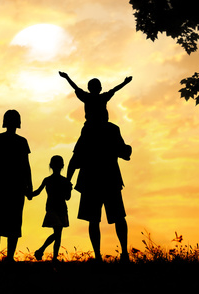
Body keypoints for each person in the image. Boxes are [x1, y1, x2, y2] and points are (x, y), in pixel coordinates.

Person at [59, 72, 132, 262]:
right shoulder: (110, 130)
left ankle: (100, 256)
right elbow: (124, 153)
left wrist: (68, 180)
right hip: (109, 180)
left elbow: (75, 160)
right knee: (117, 217)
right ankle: (123, 253)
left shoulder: (89, 132)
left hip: (91, 181)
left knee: (95, 219)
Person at [59, 71, 132, 181]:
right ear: (99, 88)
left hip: (99, 126)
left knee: (76, 156)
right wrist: (125, 82)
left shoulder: (91, 97)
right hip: (91, 127)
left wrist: (67, 77)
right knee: (77, 154)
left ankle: (122, 151)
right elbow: (114, 90)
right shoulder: (95, 97)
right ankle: (68, 181)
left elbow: (76, 87)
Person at [0, 110, 33, 262]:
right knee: (9, 221)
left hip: (7, 186)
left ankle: (2, 258)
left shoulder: (2, 139)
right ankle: (4, 258)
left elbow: (25, 166)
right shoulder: (17, 141)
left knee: (2, 221)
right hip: (7, 186)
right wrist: (29, 187)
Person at [27, 155, 72, 262]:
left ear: (50, 166)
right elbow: (68, 198)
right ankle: (46, 253)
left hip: (53, 208)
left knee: (58, 234)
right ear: (62, 166)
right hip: (58, 209)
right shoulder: (64, 181)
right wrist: (69, 189)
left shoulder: (48, 180)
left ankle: (51, 256)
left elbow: (37, 192)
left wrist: (29, 194)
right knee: (58, 234)